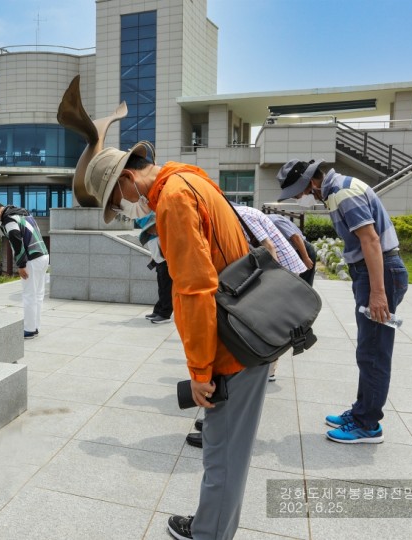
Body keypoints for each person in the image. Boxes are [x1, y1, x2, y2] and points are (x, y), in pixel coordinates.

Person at [84, 141, 269, 540]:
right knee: (227, 450)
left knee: (222, 453)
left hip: (232, 343)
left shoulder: (172, 200)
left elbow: (195, 290)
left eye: (117, 201)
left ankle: (209, 534)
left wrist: (200, 372)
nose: (124, 210)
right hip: (249, 323)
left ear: (128, 178)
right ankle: (209, 525)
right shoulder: (190, 179)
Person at [276, 159, 408, 444]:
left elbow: (370, 241)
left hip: (379, 273)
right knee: (369, 348)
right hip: (373, 271)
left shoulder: (343, 193)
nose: (300, 199)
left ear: (311, 183)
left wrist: (378, 292)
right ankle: (362, 411)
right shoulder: (339, 189)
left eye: (298, 193)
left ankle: (368, 425)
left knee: (374, 352)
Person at [232, 204, 308, 383]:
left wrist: (273, 281)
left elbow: (269, 246)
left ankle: (269, 369)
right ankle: (268, 367)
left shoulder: (242, 215)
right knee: (270, 320)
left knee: (271, 321)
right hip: (280, 267)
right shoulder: (240, 213)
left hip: (283, 268)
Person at [0, 201, 49, 339]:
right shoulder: (23, 213)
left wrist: (21, 265)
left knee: (29, 295)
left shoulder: (9, 219)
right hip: (43, 255)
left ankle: (29, 329)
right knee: (38, 294)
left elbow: (16, 241)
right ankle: (35, 326)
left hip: (32, 259)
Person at [135, 213, 173, 324]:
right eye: (148, 230)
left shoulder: (163, 234)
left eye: (151, 228)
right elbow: (155, 250)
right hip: (159, 263)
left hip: (166, 263)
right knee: (162, 288)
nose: (150, 231)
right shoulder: (153, 236)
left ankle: (165, 314)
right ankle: (158, 311)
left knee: (166, 289)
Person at [267, 213, 317, 286]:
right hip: (297, 251)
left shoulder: (275, 222)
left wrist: (305, 258)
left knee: (305, 285)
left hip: (303, 251)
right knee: (297, 285)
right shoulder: (269, 220)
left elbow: (295, 237)